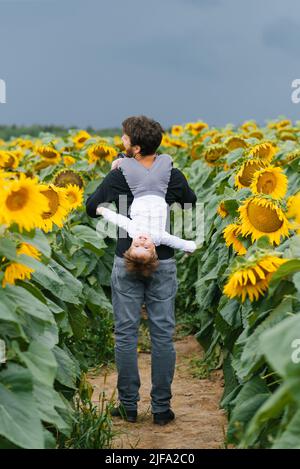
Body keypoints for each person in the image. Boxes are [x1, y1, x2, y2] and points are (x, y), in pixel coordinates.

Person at [86, 115, 197, 426]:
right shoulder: (171, 175)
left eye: (124, 137)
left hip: (127, 259)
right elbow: (190, 202)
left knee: (125, 334)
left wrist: (114, 182)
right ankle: (161, 409)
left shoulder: (119, 176)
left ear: (134, 147)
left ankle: (129, 406)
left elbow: (91, 207)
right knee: (163, 334)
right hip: (163, 261)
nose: (121, 141)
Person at [96, 153, 197, 277]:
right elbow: (176, 242)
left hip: (139, 191)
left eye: (136, 245)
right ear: (154, 250)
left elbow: (119, 220)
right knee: (166, 160)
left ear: (131, 244)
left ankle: (123, 162)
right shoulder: (160, 237)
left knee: (126, 166)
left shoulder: (133, 231)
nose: (142, 242)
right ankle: (156, 160)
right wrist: (189, 247)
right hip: (159, 191)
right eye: (146, 248)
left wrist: (104, 211)